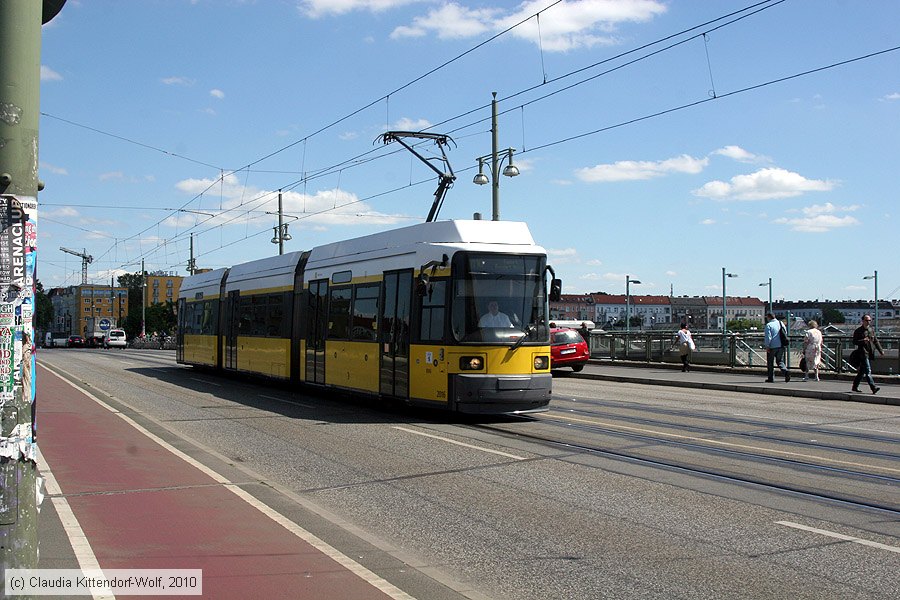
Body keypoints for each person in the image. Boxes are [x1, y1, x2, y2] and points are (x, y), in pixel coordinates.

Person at [851, 314, 883, 394]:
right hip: (862, 353)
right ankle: (873, 387)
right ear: (863, 321)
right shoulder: (858, 331)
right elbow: (854, 342)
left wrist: (880, 350)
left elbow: (875, 341)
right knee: (868, 370)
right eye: (866, 320)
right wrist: (862, 341)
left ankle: (855, 387)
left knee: (862, 372)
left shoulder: (871, 330)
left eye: (869, 320)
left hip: (870, 352)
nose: (868, 322)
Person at [763, 312, 790, 383]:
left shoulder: (768, 325)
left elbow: (768, 337)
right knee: (780, 361)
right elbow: (785, 333)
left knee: (770, 362)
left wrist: (767, 346)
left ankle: (771, 378)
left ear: (768, 317)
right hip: (781, 345)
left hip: (772, 346)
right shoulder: (781, 323)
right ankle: (785, 371)